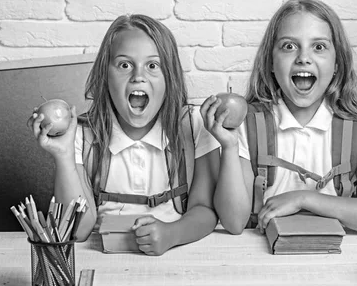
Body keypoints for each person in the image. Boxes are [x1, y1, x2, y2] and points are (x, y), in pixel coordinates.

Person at [28, 14, 220, 255]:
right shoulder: (82, 135)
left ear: (169, 78)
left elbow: (205, 210)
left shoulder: (192, 125)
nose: (138, 76)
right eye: (124, 65)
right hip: (100, 259)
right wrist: (63, 155)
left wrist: (172, 234)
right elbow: (78, 231)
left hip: (178, 255)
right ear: (104, 76)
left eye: (152, 66)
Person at [201, 0, 357, 235]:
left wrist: (304, 199)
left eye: (319, 47)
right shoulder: (247, 126)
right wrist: (229, 147)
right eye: (289, 46)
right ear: (270, 62)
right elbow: (234, 222)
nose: (303, 57)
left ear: (336, 64)